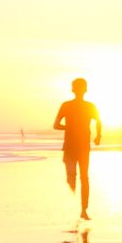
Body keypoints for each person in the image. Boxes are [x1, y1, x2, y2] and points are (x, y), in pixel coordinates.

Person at [53, 78, 102, 219]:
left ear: (73, 89)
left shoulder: (73, 106)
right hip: (76, 146)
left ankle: (83, 210)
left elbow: (56, 125)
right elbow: (55, 125)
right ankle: (83, 209)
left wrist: (98, 135)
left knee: (83, 177)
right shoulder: (71, 106)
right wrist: (98, 136)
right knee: (81, 177)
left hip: (78, 146)